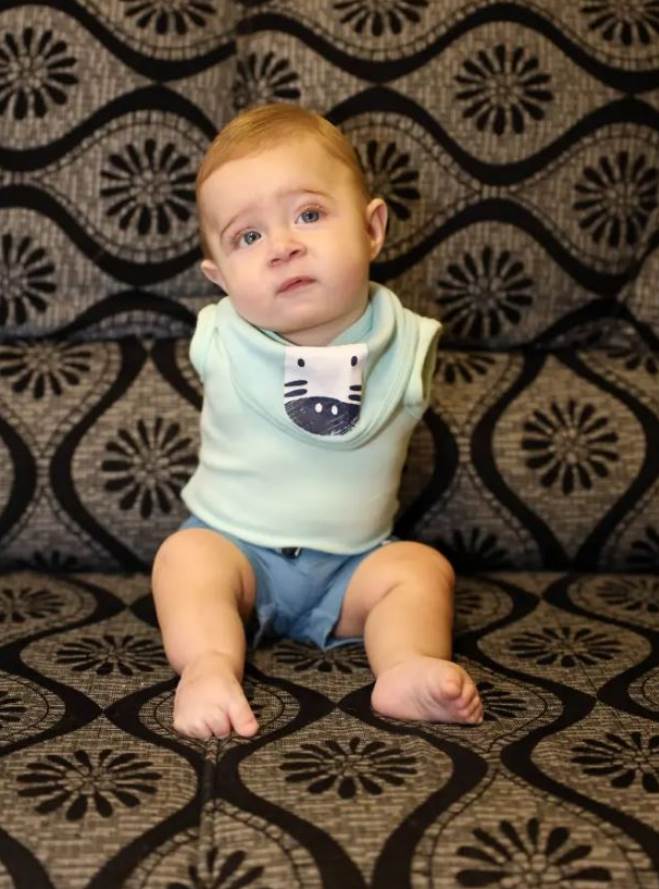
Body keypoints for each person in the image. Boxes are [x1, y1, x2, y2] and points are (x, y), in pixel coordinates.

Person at [151, 103, 483, 740]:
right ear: (220, 278)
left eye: (308, 214)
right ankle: (209, 666)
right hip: (235, 551)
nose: (284, 247)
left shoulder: (409, 344)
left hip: (351, 568)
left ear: (372, 229)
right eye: (249, 237)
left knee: (421, 570)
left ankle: (406, 667)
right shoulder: (218, 338)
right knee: (184, 560)